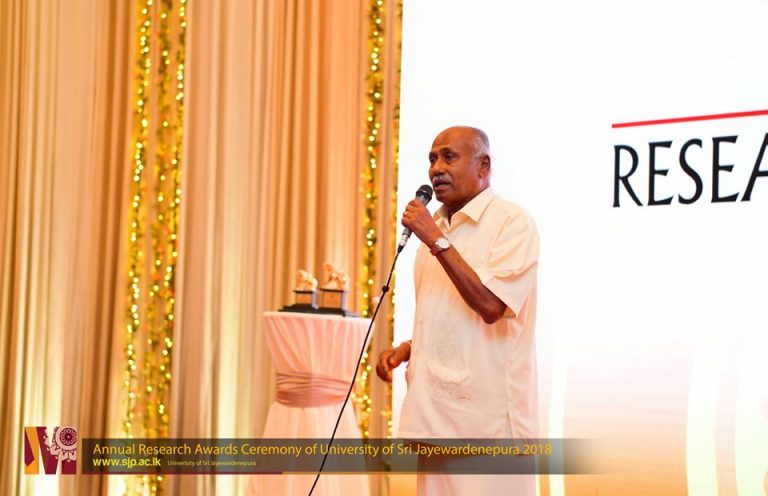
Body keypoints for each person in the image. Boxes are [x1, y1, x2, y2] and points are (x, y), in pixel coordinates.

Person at [376, 126, 540, 495]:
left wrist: (435, 239)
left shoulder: (512, 223)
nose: (436, 168)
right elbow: (450, 314)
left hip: (490, 431)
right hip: (435, 422)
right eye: (432, 159)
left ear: (484, 166)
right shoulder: (436, 230)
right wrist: (410, 347)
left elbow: (491, 305)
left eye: (449, 157)